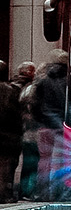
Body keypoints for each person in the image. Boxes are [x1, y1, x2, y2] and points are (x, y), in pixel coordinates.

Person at [28, 52, 70, 201]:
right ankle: (57, 192)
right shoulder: (69, 81)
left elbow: (34, 103)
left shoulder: (43, 80)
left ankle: (42, 193)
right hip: (62, 126)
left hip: (45, 126)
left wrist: (39, 120)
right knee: (60, 162)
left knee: (44, 160)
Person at [13, 63, 36, 200]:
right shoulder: (30, 88)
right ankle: (27, 191)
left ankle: (16, 190)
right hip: (28, 130)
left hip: (15, 129)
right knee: (30, 162)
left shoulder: (13, 85)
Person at [0, 63, 20, 203]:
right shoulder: (11, 91)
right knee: (7, 166)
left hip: (7, 133)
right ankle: (4, 193)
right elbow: (15, 113)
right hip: (8, 133)